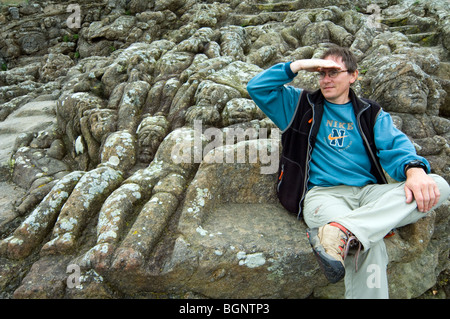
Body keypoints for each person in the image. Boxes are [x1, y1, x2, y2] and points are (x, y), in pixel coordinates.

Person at [247, 46, 450, 299]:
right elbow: (257, 88)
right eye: (321, 73)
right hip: (324, 196)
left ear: (353, 75)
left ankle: (341, 230)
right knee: (367, 245)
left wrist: (414, 170)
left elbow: (395, 146)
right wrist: (297, 66)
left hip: (368, 193)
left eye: (333, 72)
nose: (326, 79)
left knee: (438, 185)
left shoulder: (370, 112)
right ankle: (353, 230)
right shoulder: (297, 105)